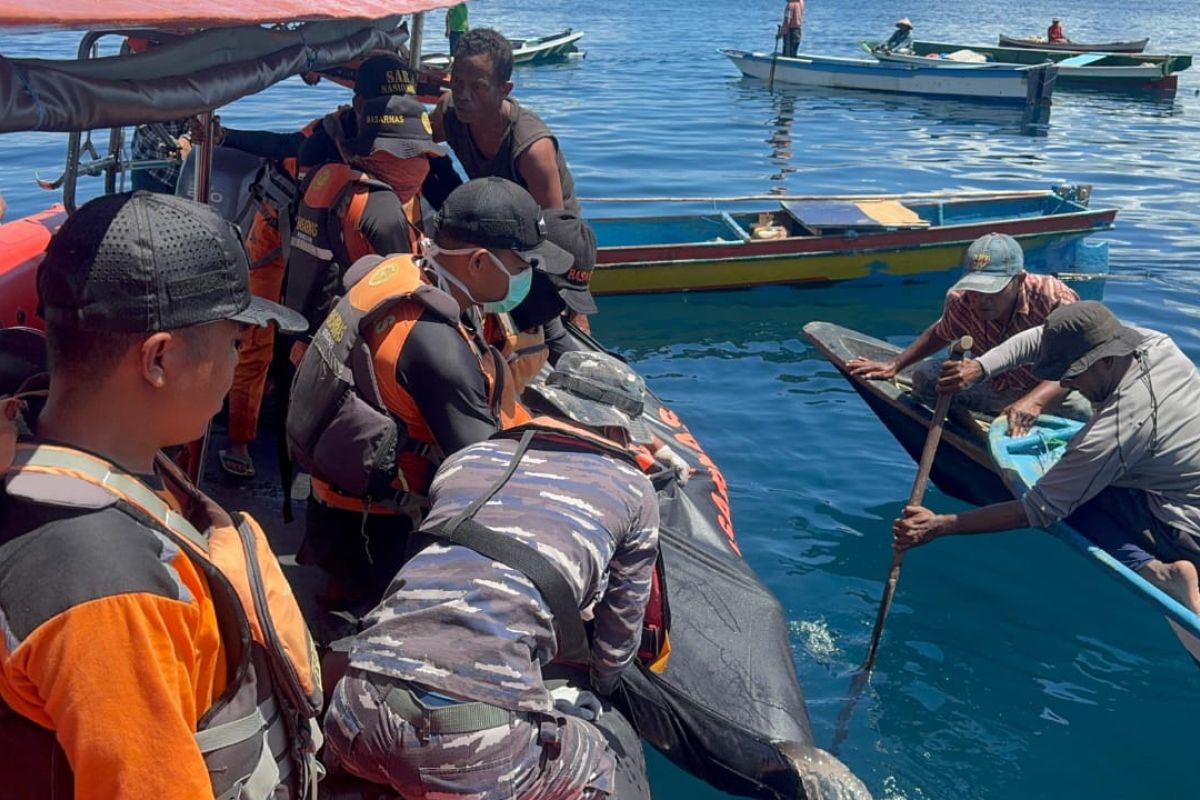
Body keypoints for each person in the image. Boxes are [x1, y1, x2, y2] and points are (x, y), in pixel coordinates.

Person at [0, 191, 324, 798]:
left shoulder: (56, 441)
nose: (240, 362)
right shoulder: (110, 595)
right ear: (158, 359)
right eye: (235, 341)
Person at [323, 364, 659, 799]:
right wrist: (600, 689)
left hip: (355, 717)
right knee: (599, 759)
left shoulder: (466, 459)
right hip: (475, 754)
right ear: (617, 430)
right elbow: (617, 642)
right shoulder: (635, 489)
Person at [287, 177, 570, 613]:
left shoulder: (402, 269)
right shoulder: (436, 347)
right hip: (376, 536)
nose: (530, 276)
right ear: (478, 262)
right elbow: (485, 475)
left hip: (331, 511)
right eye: (524, 264)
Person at [894, 301, 1200, 615]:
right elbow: (1037, 338)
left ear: (1106, 360)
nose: (1066, 385)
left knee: (1073, 502)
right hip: (1177, 472)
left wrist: (940, 525)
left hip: (1188, 526)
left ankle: (1160, 573)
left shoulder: (1117, 429)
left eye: (1074, 374)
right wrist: (981, 367)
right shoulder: (1154, 343)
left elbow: (1039, 509)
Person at [431, 28, 598, 330]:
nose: (464, 95)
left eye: (478, 87)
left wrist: (573, 306)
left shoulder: (532, 149)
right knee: (430, 168)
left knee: (542, 323)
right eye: (457, 82)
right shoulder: (449, 113)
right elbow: (418, 143)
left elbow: (555, 234)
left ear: (504, 89)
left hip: (545, 235)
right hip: (496, 217)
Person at [847, 232, 1090, 435]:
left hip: (1049, 391)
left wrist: (1034, 402)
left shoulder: (1054, 297)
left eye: (992, 292)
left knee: (1088, 413)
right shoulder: (960, 299)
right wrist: (895, 365)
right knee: (926, 379)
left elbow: (1077, 364)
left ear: (1019, 280)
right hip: (994, 384)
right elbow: (941, 332)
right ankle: (974, 437)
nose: (981, 301)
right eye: (975, 290)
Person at [285, 92, 448, 337]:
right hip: (339, 343)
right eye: (416, 155)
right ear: (385, 154)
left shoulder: (329, 177)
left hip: (298, 329)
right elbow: (406, 298)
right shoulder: (382, 211)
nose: (423, 166)